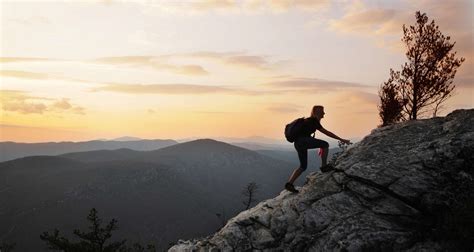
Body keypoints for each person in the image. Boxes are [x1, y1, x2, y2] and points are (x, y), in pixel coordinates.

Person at [285, 105, 351, 193]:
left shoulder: (308, 121)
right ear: (317, 112)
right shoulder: (313, 121)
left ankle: (289, 184)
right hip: (304, 141)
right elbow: (327, 133)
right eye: (322, 111)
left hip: (298, 143)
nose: (324, 113)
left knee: (303, 166)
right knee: (325, 144)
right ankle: (324, 166)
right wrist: (341, 139)